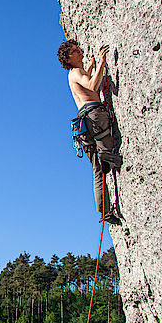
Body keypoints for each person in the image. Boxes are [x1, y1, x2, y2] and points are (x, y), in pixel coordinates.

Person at [57, 39, 121, 225]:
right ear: (68, 59)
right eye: (75, 52)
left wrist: (91, 68)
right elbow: (92, 87)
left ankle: (105, 211)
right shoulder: (76, 72)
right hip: (95, 116)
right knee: (105, 157)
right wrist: (101, 61)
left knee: (97, 170)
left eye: (78, 49)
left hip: (84, 124)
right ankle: (108, 156)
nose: (80, 52)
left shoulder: (73, 74)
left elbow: (86, 86)